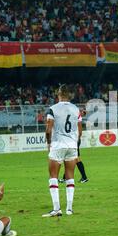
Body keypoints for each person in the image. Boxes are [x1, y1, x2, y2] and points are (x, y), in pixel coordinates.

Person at [43, 84, 82, 217]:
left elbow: (48, 129)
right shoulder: (76, 109)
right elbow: (78, 129)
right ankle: (69, 209)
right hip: (72, 145)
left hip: (58, 144)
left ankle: (56, 209)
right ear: (69, 95)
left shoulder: (53, 109)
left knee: (53, 176)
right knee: (70, 176)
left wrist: (49, 143)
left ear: (58, 94)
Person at [59, 108, 89, 184]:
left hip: (74, 140)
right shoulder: (75, 115)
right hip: (72, 139)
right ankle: (66, 178)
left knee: (75, 159)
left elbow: (80, 130)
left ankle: (84, 177)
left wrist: (77, 140)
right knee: (70, 158)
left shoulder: (72, 116)